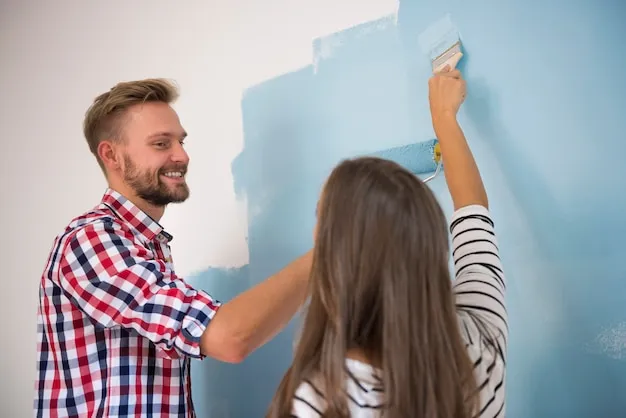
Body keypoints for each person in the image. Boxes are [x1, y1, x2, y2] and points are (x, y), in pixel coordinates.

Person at [34, 78, 312, 417]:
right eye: (161, 143)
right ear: (111, 155)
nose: (181, 155)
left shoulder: (146, 245)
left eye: (180, 141)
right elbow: (230, 338)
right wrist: (328, 253)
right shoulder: (92, 241)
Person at [266, 66, 508, 418]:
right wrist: (445, 117)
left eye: (322, 218)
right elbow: (474, 215)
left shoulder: (318, 400)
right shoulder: (481, 343)